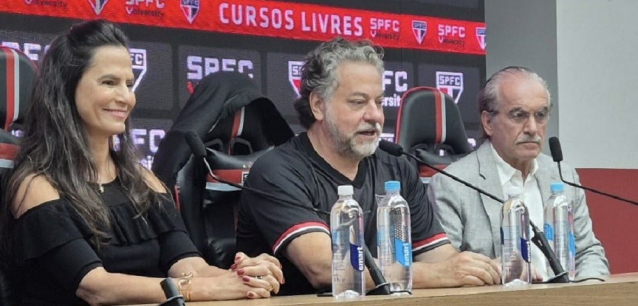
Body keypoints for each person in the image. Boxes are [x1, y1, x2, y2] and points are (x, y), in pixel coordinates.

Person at [0, 20, 283, 306]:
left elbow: (190, 266)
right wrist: (207, 289)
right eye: (109, 83)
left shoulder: (142, 179)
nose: (125, 97)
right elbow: (97, 288)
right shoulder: (35, 185)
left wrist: (244, 277)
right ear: (66, 89)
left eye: (129, 84)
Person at [236, 38, 500, 295]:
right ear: (318, 105)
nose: (375, 115)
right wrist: (432, 275)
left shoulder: (397, 166)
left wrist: (481, 270)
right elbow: (327, 268)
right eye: (358, 102)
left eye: (379, 102)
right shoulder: (277, 171)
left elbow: (440, 258)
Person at [428, 66, 609, 280]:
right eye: (519, 115)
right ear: (488, 122)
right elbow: (450, 271)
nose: (532, 128)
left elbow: (588, 253)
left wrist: (586, 296)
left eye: (540, 115)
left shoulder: (563, 176)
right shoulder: (453, 185)